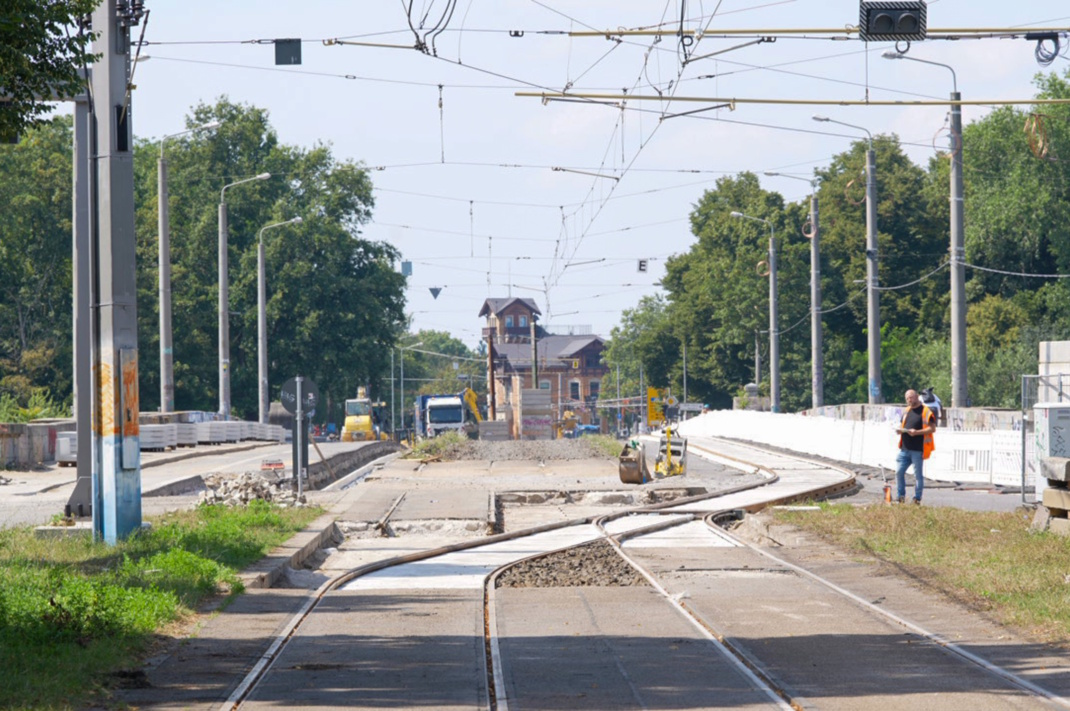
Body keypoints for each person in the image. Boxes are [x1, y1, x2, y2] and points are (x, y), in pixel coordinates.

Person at [895, 389, 937, 505]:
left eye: (911, 397)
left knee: (918, 475)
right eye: (907, 398)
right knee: (899, 472)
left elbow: (932, 429)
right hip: (904, 448)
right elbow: (902, 424)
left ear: (917, 397)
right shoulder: (906, 410)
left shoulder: (926, 411)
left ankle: (917, 498)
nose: (909, 400)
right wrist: (900, 430)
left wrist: (917, 432)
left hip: (917, 450)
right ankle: (900, 497)